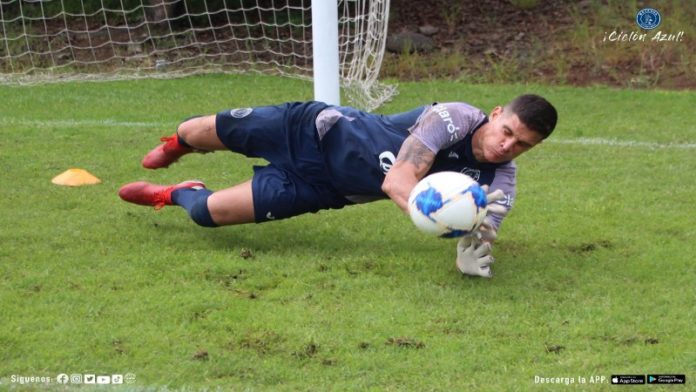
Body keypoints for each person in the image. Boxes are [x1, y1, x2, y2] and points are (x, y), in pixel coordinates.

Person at [119, 95, 557, 278]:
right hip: (312, 128)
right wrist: (427, 212)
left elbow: (485, 233)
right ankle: (177, 146)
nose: (507, 146)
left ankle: (173, 192)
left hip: (322, 187)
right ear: (497, 114)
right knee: (195, 130)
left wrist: (469, 249)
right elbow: (399, 178)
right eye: (508, 130)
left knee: (206, 214)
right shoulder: (457, 117)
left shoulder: (499, 184)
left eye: (523, 145)